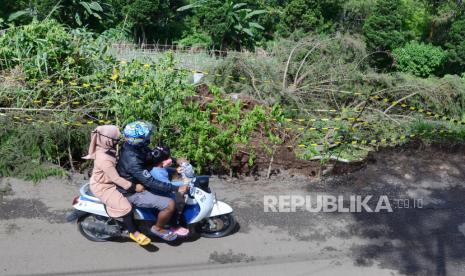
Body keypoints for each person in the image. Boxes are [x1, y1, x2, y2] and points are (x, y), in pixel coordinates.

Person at [116, 121, 189, 241]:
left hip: (138, 182)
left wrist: (171, 158)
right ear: (138, 140)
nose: (149, 138)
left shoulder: (133, 147)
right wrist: (176, 188)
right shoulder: (132, 160)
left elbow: (149, 157)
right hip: (131, 192)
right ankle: (158, 228)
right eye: (146, 136)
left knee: (164, 189)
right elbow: (151, 182)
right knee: (170, 204)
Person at [83, 125, 151, 246]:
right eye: (116, 139)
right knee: (126, 207)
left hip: (108, 180)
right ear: (108, 139)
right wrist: (134, 187)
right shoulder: (104, 159)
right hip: (104, 186)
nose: (118, 141)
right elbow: (115, 178)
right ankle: (133, 232)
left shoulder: (106, 147)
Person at [148, 145, 194, 236]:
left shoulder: (158, 167)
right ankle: (174, 225)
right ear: (163, 161)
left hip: (162, 189)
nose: (170, 159)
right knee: (178, 202)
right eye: (168, 158)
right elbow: (167, 186)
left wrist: (175, 170)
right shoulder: (157, 173)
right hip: (160, 193)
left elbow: (165, 170)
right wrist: (181, 187)